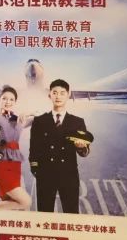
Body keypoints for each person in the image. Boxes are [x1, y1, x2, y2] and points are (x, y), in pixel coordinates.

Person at [27, 79, 93, 214]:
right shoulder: (39, 121)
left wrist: (80, 147)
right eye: (55, 92)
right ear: (49, 95)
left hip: (69, 175)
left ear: (68, 95)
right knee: (44, 215)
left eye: (62, 93)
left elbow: (85, 152)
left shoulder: (77, 122)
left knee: (71, 214)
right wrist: (36, 170)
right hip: (45, 175)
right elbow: (33, 148)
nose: (58, 96)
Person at [0, 85, 33, 210]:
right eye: (4, 98)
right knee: (25, 202)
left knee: (9, 204)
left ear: (15, 102)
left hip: (14, 165)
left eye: (11, 99)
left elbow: (37, 119)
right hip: (0, 163)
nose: (8, 102)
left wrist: (27, 114)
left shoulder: (18, 119)